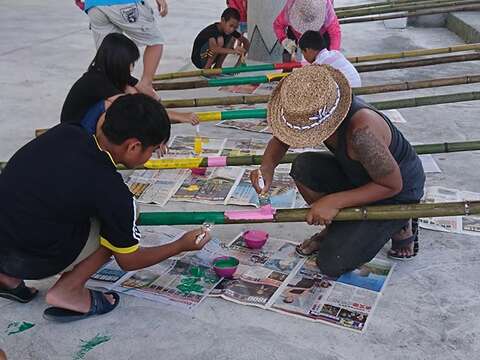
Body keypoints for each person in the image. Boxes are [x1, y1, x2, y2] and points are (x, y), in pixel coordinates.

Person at [0, 94, 211, 322]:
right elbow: (129, 261)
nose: (152, 156)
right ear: (133, 146)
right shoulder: (111, 190)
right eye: (153, 149)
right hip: (32, 258)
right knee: (120, 224)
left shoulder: (67, 131)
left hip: (3, 245)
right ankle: (68, 291)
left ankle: (6, 278)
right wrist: (180, 245)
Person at [250, 65, 425, 277]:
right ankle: (337, 227)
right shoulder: (320, 111)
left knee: (332, 262)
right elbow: (282, 139)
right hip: (359, 177)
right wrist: (266, 168)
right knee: (304, 166)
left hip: (395, 191)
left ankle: (401, 223)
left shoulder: (362, 133)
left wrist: (334, 201)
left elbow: (392, 185)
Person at [61, 33, 198, 126]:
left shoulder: (114, 73)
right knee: (121, 105)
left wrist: (159, 123)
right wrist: (179, 116)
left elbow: (146, 94)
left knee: (132, 93)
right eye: (130, 63)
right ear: (118, 62)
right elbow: (136, 107)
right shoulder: (96, 80)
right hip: (77, 130)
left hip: (88, 123)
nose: (132, 68)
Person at [78, 0, 168, 99]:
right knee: (155, 41)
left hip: (94, 6)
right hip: (122, 4)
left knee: (109, 55)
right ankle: (146, 84)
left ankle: (126, 90)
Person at [273, 0, 341, 63]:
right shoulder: (290, 9)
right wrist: (284, 40)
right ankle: (286, 69)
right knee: (288, 54)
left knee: (323, 55)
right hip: (295, 31)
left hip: (321, 33)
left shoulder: (327, 9)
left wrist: (333, 55)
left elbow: (335, 33)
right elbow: (278, 25)